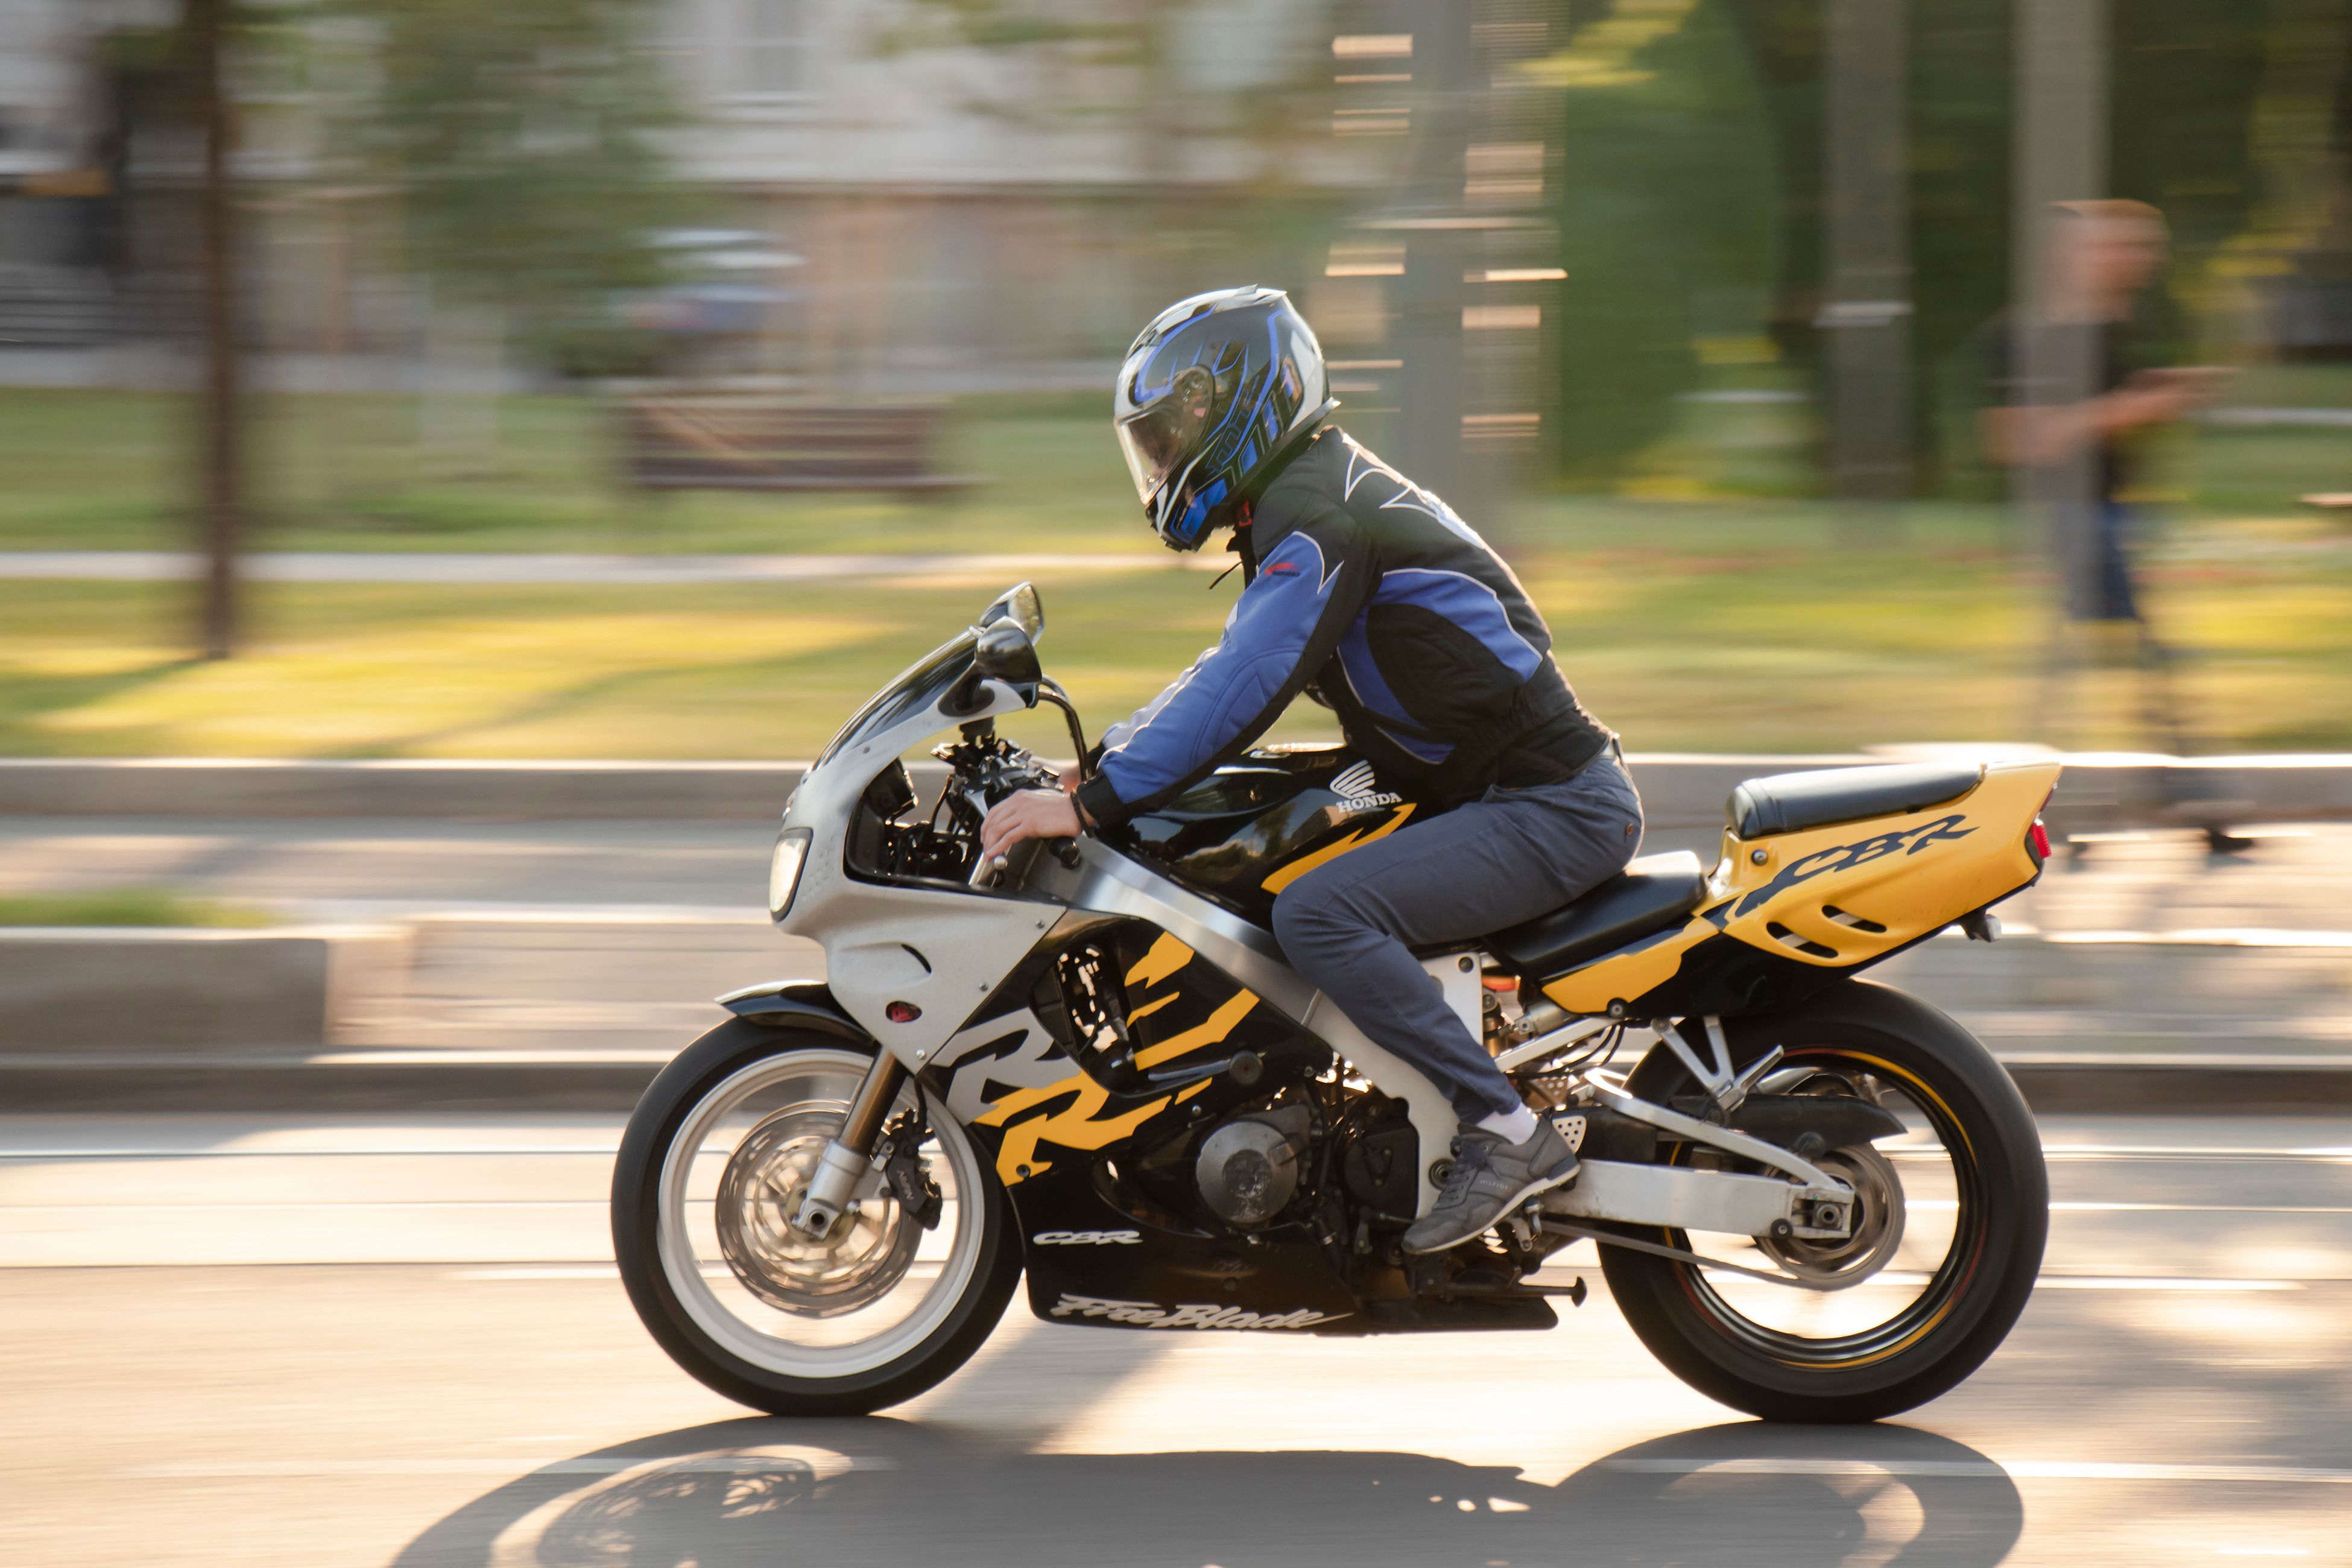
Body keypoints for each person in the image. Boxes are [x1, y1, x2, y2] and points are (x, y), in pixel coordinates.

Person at [978, 285, 1643, 1253]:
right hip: (1498, 791)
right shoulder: (1308, 495)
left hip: (1550, 805)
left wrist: (1093, 803)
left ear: (1235, 405)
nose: (1159, 465)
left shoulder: (1317, 514)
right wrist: (1100, 766)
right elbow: (1228, 667)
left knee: (1320, 913)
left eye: (1166, 439)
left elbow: (1248, 679)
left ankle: (1505, 1133)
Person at [1977, 200, 2230, 756]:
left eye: (2142, 247)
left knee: (2092, 656)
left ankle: (2156, 765)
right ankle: (2184, 770)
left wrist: (2157, 398)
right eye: (2112, 247)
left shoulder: (2118, 332)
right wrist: (2130, 407)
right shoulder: (2022, 337)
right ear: (2063, 256)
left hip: (2113, 511)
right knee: (2130, 649)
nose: (2135, 259)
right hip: (2067, 515)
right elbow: (2015, 441)